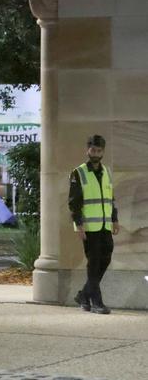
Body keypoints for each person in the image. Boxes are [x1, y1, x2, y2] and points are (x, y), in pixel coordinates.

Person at [69, 134, 120, 314]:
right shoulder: (79, 172)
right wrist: (79, 224)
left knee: (106, 258)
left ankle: (84, 295)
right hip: (89, 227)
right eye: (93, 150)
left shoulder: (107, 172)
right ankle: (96, 302)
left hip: (105, 225)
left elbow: (110, 198)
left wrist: (115, 219)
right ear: (87, 150)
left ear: (103, 152)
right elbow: (74, 202)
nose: (96, 153)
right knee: (94, 261)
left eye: (99, 150)